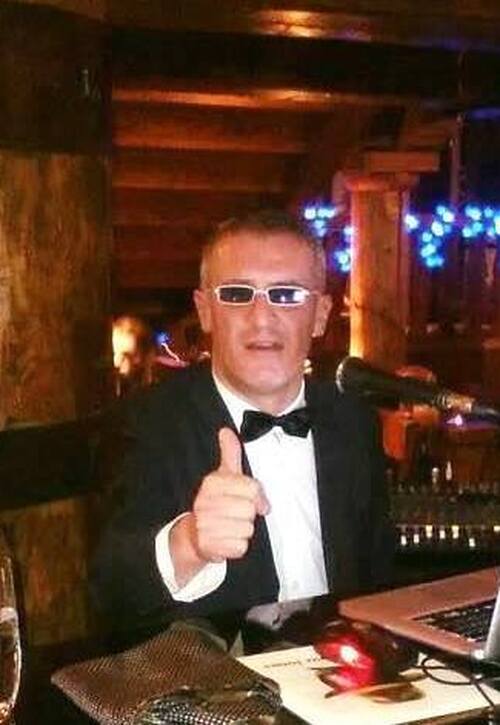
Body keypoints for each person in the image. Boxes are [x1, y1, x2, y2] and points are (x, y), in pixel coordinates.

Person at [91, 210, 394, 634]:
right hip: (210, 674)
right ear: (205, 311)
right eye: (237, 294)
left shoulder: (353, 418)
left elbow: (378, 575)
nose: (261, 317)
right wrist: (189, 542)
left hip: (346, 664)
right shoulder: (145, 422)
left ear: (321, 314)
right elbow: (110, 591)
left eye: (286, 294)